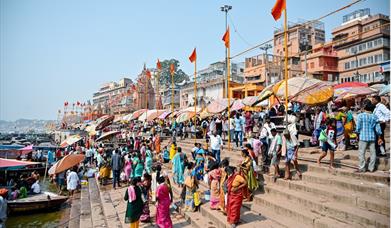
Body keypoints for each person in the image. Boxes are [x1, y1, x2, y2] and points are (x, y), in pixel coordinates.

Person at [355, 102, 382, 172]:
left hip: (363, 137)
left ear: (365, 108)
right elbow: (378, 129)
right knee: (373, 153)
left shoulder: (360, 116)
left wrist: (357, 135)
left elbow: (358, 127)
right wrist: (379, 137)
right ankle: (371, 168)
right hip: (372, 137)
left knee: (361, 153)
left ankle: (362, 168)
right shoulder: (375, 116)